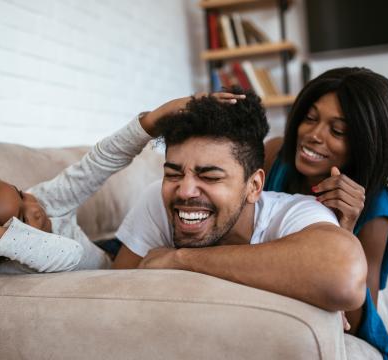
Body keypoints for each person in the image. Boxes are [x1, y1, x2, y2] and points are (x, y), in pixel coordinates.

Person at [0, 92, 245, 290]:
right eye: (22, 220)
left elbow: (98, 164)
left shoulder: (40, 199)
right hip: (107, 270)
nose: (35, 207)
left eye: (20, 192)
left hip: (108, 249)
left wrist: (154, 119)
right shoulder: (13, 263)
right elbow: (67, 254)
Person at [112, 89, 368, 313]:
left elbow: (344, 276)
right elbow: (109, 296)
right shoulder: (157, 198)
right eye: (173, 173)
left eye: (210, 176)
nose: (185, 191)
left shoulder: (297, 213)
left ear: (254, 186)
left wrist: (179, 259)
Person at [263, 67, 388, 359]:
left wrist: (344, 230)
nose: (313, 136)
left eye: (338, 131)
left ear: (367, 145)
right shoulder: (275, 155)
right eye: (310, 118)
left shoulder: (376, 208)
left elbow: (356, 323)